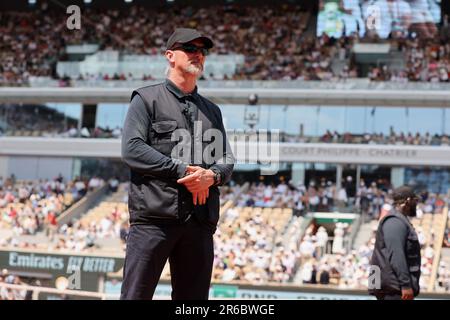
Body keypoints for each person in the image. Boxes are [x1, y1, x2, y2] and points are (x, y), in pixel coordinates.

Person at [120, 28, 234, 300]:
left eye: (202, 51)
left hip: (199, 222)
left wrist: (212, 176)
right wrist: (182, 171)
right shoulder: (146, 99)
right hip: (154, 221)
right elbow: (132, 149)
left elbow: (227, 158)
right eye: (191, 49)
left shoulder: (212, 110)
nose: (198, 55)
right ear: (170, 56)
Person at [369, 186, 421, 300]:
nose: (416, 204)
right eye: (415, 200)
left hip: (393, 288)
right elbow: (396, 255)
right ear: (407, 200)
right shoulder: (394, 221)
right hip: (394, 290)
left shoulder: (400, 220)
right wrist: (406, 284)